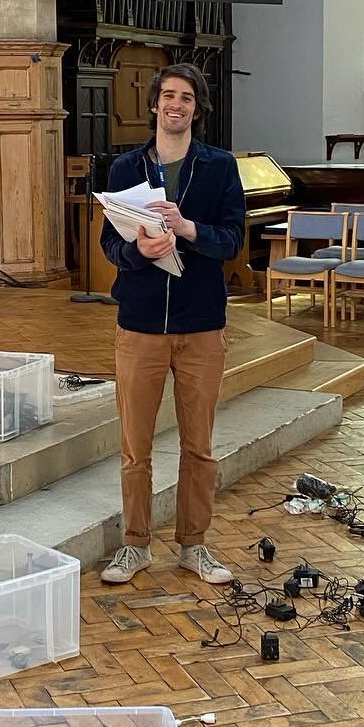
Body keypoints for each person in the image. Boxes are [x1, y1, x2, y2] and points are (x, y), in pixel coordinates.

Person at [98, 63, 245, 587]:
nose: (174, 105)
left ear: (197, 109)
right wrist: (138, 250)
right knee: (136, 447)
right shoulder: (126, 168)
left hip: (201, 326)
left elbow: (233, 241)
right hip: (139, 327)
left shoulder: (221, 167)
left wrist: (188, 229)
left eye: (185, 97)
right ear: (155, 104)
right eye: (167, 96)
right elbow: (109, 245)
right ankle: (135, 546)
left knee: (198, 446)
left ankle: (194, 545)